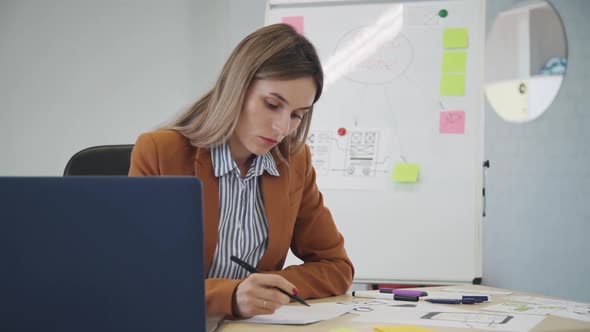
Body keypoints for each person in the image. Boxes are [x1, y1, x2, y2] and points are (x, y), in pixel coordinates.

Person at [129, 23, 354, 318]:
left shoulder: (294, 163)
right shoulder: (161, 152)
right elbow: (137, 276)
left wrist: (269, 290)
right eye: (272, 105)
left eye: (298, 115)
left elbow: (336, 267)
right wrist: (230, 296)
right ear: (237, 88)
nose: (283, 128)